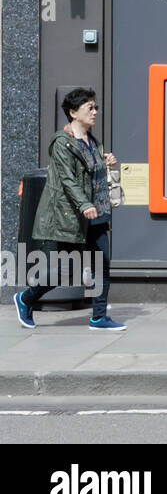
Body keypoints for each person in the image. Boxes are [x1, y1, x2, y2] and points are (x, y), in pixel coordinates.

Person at [15, 88, 123, 331]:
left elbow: (89, 174)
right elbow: (67, 179)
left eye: (96, 107)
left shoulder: (92, 141)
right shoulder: (62, 143)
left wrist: (104, 162)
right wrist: (84, 204)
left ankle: (98, 317)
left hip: (96, 214)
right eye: (90, 108)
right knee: (68, 269)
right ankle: (26, 298)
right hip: (73, 217)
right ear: (73, 113)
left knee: (102, 264)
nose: (95, 112)